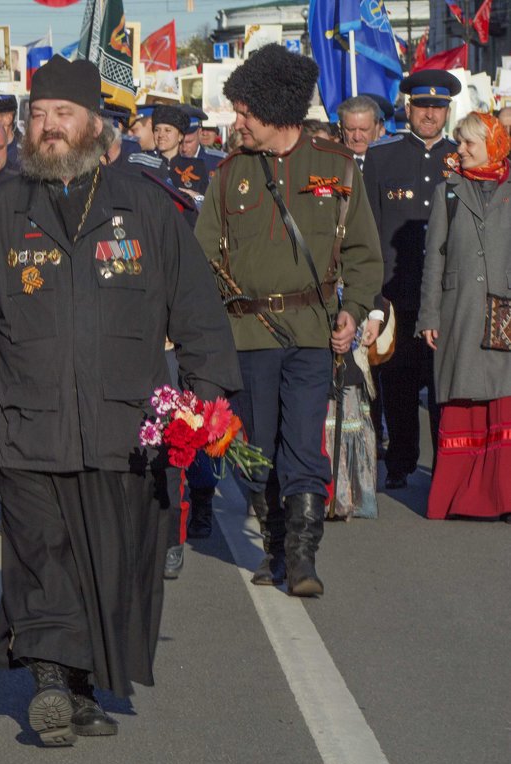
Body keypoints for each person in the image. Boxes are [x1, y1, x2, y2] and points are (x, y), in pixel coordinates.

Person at [0, 56, 240, 746]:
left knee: (114, 561)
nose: (47, 127)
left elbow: (196, 310)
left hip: (129, 426)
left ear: (96, 124)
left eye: (61, 115)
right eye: (37, 116)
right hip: (29, 422)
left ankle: (86, 682)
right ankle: (50, 681)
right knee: (42, 553)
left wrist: (207, 396)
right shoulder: (0, 210)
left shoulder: (145, 204)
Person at [193, 44, 383, 596]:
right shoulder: (228, 176)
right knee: (257, 449)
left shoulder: (337, 168)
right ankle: (273, 545)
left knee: (302, 442)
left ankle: (301, 558)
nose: (238, 121)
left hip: (311, 333)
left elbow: (364, 255)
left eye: (245, 110)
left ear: (275, 108)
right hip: (247, 336)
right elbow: (202, 259)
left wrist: (351, 311)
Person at [363, 70, 461, 490]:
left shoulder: (462, 158)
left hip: (446, 294)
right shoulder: (382, 157)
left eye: (438, 109)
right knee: (399, 381)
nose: (430, 115)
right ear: (408, 108)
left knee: (444, 384)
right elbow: (366, 227)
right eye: (423, 107)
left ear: (447, 112)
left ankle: (446, 465)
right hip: (397, 291)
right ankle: (401, 460)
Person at [416, 112, 511, 520]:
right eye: (460, 142)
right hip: (460, 311)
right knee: (462, 398)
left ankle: (503, 498)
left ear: (493, 145)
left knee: (503, 401)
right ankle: (456, 497)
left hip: (505, 310)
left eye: (470, 143)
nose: (461, 150)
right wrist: (428, 315)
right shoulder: (447, 192)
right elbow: (434, 260)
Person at [337, 95, 383, 169]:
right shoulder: (330, 163)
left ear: (377, 128)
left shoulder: (391, 163)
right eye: (351, 129)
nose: (357, 137)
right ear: (342, 129)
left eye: (364, 129)